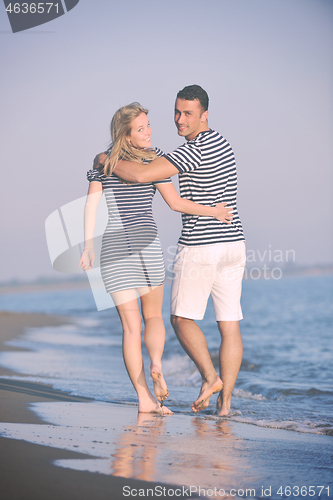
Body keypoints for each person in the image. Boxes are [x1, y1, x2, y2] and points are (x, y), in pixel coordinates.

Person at [97, 86, 246, 417]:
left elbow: (139, 173)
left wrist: (106, 159)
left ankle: (210, 379)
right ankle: (225, 407)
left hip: (201, 244)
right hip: (234, 243)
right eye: (177, 112)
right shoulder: (225, 144)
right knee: (230, 324)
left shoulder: (188, 152)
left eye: (188, 114)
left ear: (204, 115)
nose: (179, 119)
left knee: (180, 318)